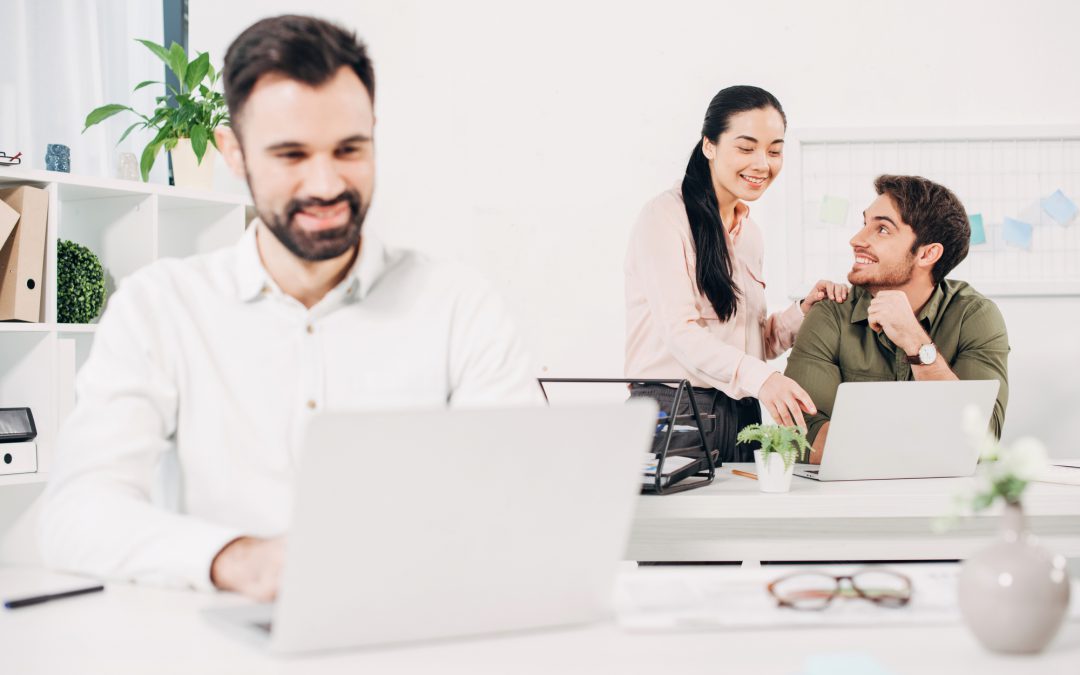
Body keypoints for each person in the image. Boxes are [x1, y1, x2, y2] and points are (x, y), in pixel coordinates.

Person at [39, 15, 540, 601]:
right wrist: (239, 560)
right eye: (291, 154)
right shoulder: (161, 306)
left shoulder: (458, 304)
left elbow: (519, 497)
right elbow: (76, 515)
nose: (325, 184)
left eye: (349, 149)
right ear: (233, 151)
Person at [625, 85, 846, 463]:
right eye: (746, 148)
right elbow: (680, 333)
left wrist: (802, 312)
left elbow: (750, 340)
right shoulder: (664, 218)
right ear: (709, 145)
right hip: (676, 412)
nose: (763, 163)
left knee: (746, 523)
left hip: (741, 414)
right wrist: (763, 380)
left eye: (774, 150)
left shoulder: (750, 234)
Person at [784, 175, 1010, 464]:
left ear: (928, 253)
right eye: (864, 223)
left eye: (881, 229)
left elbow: (982, 441)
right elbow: (798, 438)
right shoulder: (830, 313)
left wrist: (916, 342)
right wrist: (936, 442)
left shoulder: (975, 316)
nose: (856, 240)